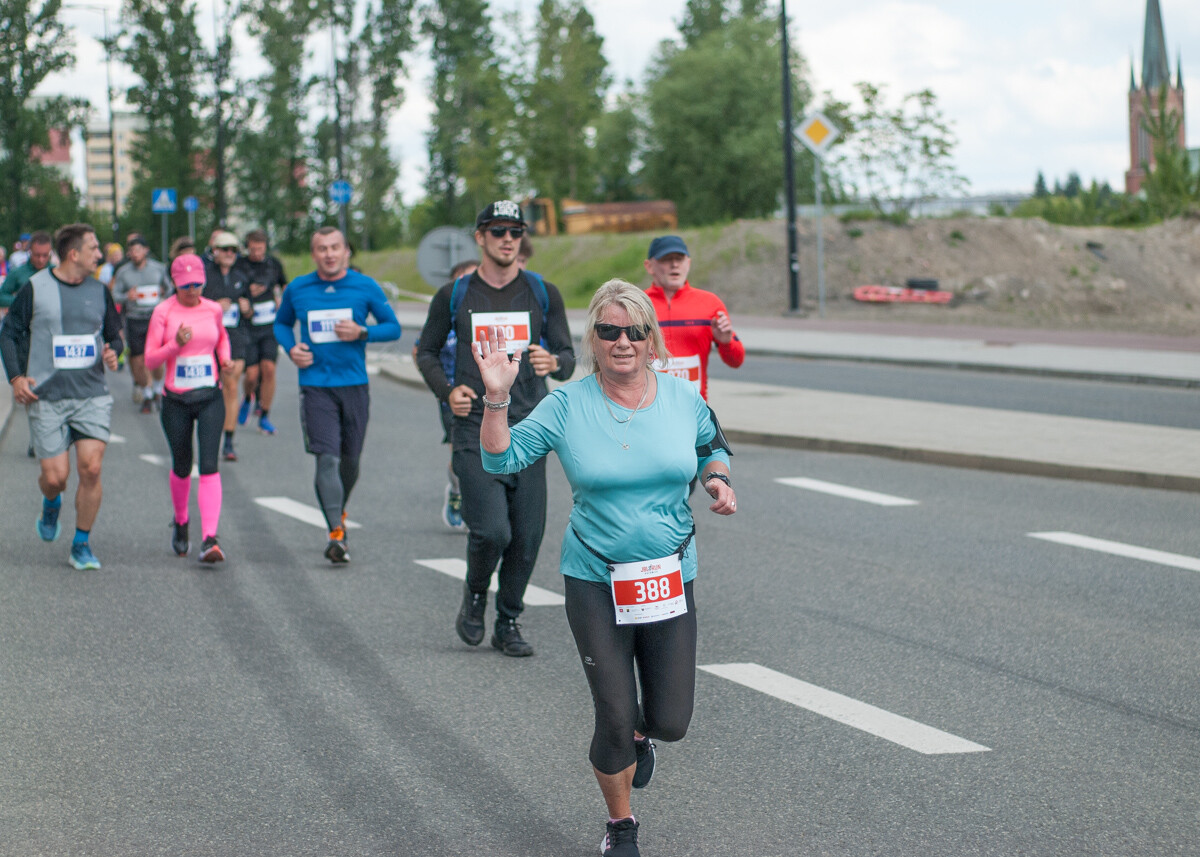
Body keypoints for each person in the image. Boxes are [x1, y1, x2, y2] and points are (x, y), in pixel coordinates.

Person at [472, 279, 735, 857]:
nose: (623, 341)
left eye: (635, 331)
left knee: (670, 720)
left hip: (668, 575)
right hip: (595, 578)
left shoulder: (681, 397)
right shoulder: (566, 404)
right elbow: (500, 457)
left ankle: (646, 735)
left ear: (651, 340)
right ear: (593, 338)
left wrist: (716, 478)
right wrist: (496, 395)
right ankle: (621, 825)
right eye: (610, 330)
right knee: (614, 713)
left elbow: (712, 445)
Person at [416, 200, 575, 657]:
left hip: (529, 429)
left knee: (527, 537)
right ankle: (475, 592)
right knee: (492, 532)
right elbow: (425, 352)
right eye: (499, 230)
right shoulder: (455, 295)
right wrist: (446, 391)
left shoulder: (543, 293)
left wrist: (555, 361)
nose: (508, 239)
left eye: (515, 231)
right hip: (475, 425)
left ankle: (508, 621)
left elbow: (568, 355)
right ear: (480, 237)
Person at [0, 223, 124, 570]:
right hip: (47, 396)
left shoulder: (100, 290)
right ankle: (51, 502)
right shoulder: (35, 288)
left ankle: (81, 543)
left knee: (92, 468)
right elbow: (8, 333)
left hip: (91, 395)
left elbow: (115, 335)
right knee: (56, 477)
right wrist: (15, 378)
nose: (99, 254)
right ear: (74, 254)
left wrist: (115, 351)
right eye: (94, 248)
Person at [273, 226, 401, 563]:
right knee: (326, 457)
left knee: (351, 461)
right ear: (313, 254)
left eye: (335, 247)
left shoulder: (365, 286)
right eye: (321, 248)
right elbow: (281, 324)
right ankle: (336, 532)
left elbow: (393, 326)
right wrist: (291, 348)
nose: (329, 254)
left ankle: (338, 509)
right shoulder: (298, 289)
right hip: (315, 386)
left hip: (354, 385)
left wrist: (362, 331)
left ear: (346, 252)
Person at [144, 253, 232, 562]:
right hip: (176, 400)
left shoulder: (212, 309)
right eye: (185, 286)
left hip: (210, 396)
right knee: (182, 465)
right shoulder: (163, 312)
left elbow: (221, 339)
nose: (192, 291)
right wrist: (175, 346)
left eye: (197, 284)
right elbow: (150, 359)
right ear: (175, 284)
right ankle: (181, 521)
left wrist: (225, 359)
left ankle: (210, 538)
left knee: (209, 464)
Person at [412, 259, 478, 532]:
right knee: (460, 452)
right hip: (453, 395)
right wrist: (442, 388)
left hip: (490, 396)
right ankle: (457, 491)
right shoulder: (447, 314)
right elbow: (421, 351)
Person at [643, 235, 744, 401]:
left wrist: (726, 342)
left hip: (694, 408)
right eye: (666, 259)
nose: (674, 264)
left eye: (679, 259)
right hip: (647, 407)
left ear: (688, 263)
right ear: (649, 266)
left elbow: (736, 361)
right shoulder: (636, 304)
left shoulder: (711, 303)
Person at [202, 230, 251, 461]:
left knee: (232, 384)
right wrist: (212, 306)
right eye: (225, 249)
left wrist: (246, 307)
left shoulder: (242, 275)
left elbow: (251, 309)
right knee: (214, 389)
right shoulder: (204, 275)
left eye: (233, 250)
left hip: (235, 337)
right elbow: (191, 306)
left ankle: (229, 441)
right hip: (209, 338)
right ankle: (210, 434)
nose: (229, 254)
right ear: (215, 252)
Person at [111, 235, 172, 413]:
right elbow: (115, 294)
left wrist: (162, 295)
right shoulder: (123, 272)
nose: (135, 254)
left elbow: (169, 290)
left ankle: (157, 389)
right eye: (132, 251)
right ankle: (146, 392)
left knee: (157, 357)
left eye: (139, 250)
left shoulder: (158, 268)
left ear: (146, 250)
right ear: (129, 253)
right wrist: (126, 296)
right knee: (138, 360)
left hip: (155, 318)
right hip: (134, 318)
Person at [237, 229, 287, 435]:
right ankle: (248, 397)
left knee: (269, 369)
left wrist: (281, 299)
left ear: (266, 246)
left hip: (269, 325)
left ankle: (264, 415)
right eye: (253, 249)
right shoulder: (240, 264)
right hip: (248, 325)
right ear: (247, 247)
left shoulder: (274, 264)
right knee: (251, 375)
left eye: (260, 248)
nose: (257, 252)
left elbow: (285, 285)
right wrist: (242, 301)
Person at [1, 231, 53, 310]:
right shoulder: (17, 272)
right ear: (30, 251)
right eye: (37, 255)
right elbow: (2, 296)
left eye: (45, 255)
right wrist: (21, 301)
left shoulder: (56, 271)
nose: (41, 260)